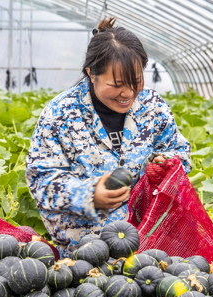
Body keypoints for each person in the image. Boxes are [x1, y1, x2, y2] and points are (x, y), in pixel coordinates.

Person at [26, 17, 191, 254]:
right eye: (117, 84)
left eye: (136, 82)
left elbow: (180, 153)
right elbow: (42, 181)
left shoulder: (154, 108)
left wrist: (167, 164)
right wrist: (90, 195)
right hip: (86, 251)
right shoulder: (60, 114)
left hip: (151, 246)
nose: (129, 93)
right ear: (91, 73)